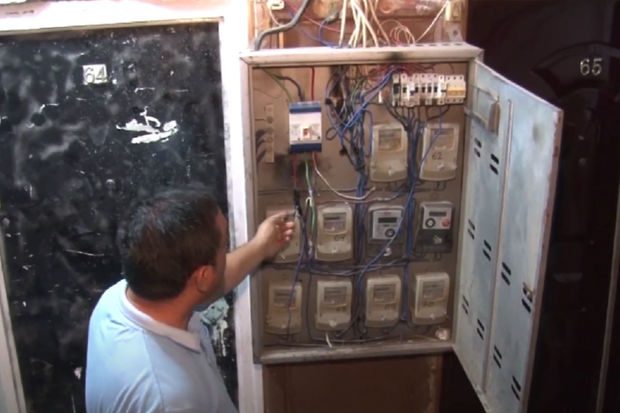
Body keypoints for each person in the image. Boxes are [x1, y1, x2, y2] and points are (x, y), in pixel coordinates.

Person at [85, 186, 293, 413]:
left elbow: (208, 283)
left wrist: (261, 246)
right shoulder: (170, 401)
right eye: (224, 246)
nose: (226, 252)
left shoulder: (119, 299)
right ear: (203, 276)